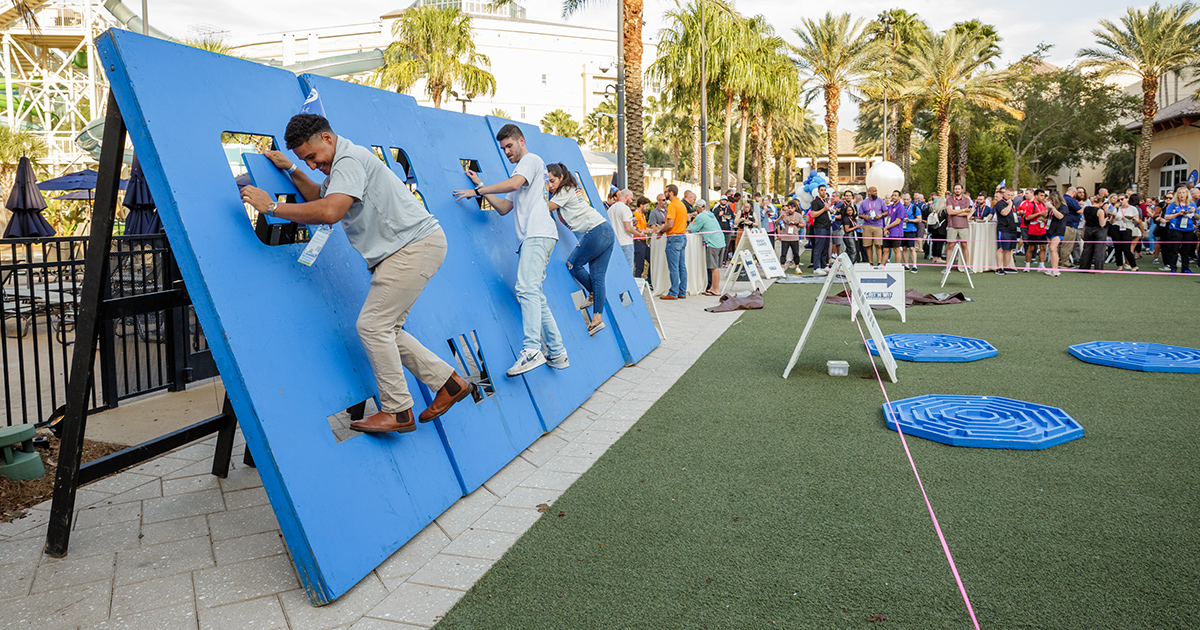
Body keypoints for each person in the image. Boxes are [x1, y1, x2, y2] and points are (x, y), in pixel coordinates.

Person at [240, 114, 472, 434]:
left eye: (312, 157)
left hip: (410, 248)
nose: (312, 165)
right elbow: (320, 197)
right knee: (387, 329)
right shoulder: (342, 162)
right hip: (412, 247)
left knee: (372, 326)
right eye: (305, 161)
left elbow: (329, 211)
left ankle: (398, 411)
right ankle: (450, 383)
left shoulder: (348, 161)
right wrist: (292, 169)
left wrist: (272, 207)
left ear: (327, 138)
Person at [454, 123, 567, 376]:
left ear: (521, 141)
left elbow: (514, 184)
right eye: (503, 148)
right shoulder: (524, 173)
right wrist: (481, 186)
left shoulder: (530, 161)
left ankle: (532, 350)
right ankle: (557, 353)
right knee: (535, 294)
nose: (507, 151)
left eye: (509, 145)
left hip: (537, 234)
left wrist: (479, 189)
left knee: (526, 289)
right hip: (536, 236)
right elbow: (504, 208)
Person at [544, 164, 615, 335]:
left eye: (552, 181)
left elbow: (545, 207)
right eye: (547, 182)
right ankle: (597, 320)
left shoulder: (564, 190)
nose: (550, 185)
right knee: (598, 278)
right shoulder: (568, 189)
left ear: (561, 178)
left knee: (573, 264)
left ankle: (593, 293)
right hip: (604, 231)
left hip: (597, 230)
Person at [688, 200, 725, 295]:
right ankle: (712, 288)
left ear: (698, 207)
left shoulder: (700, 216)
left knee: (714, 268)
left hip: (713, 243)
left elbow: (694, 230)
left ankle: (716, 289)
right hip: (721, 241)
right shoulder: (710, 214)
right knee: (714, 267)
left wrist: (691, 221)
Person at [660, 184, 689, 300]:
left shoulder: (672, 205)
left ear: (671, 193)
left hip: (674, 238)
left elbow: (670, 224)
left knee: (674, 267)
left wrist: (661, 231)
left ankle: (673, 292)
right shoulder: (682, 204)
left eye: (666, 192)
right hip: (682, 236)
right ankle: (682, 291)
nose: (665, 194)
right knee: (682, 266)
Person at [1163, 187, 1196, 273]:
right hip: (1176, 228)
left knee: (1186, 250)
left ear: (1187, 194)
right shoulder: (1173, 205)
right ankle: (1173, 268)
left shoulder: (1192, 204)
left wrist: (1194, 212)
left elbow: (1198, 217)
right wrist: (1177, 214)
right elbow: (1166, 216)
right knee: (1174, 249)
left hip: (1189, 229)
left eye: (1183, 193)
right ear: (1177, 195)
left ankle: (1185, 268)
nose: (1181, 195)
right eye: (1180, 193)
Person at [607, 188, 639, 270]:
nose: (631, 201)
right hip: (626, 243)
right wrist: (639, 234)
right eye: (631, 198)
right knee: (628, 269)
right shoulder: (625, 208)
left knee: (616, 269)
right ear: (626, 196)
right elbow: (628, 228)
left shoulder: (611, 209)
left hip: (615, 243)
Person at [1019, 189, 1049, 272]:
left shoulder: (1043, 204)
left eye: (1044, 196)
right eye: (1041, 195)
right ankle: (1027, 265)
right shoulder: (1031, 205)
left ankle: (1041, 265)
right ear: (1036, 196)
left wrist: (1043, 218)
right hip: (1033, 229)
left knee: (1043, 247)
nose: (1043, 197)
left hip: (1042, 229)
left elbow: (1046, 217)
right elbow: (1027, 217)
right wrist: (1038, 214)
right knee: (1031, 248)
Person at [1078, 195, 1109, 272]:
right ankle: (1098, 268)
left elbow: (1085, 221)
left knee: (1087, 249)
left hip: (1088, 229)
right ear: (1101, 202)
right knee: (1099, 250)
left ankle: (1084, 267)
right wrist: (1107, 219)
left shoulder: (1085, 209)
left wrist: (1083, 233)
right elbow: (1102, 224)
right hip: (1098, 230)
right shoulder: (1100, 211)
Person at [945, 184, 972, 269]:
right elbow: (950, 212)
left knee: (964, 245)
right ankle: (948, 266)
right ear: (953, 190)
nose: (957, 190)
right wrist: (963, 210)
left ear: (962, 190)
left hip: (963, 225)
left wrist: (955, 212)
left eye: (959, 189)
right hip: (952, 225)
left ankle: (967, 266)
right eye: (956, 189)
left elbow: (967, 213)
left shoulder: (966, 200)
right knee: (950, 245)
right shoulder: (949, 199)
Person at [1111, 194, 1139, 272]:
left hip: (1127, 228)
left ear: (1127, 199)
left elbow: (1137, 221)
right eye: (1119, 200)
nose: (1120, 201)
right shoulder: (1117, 209)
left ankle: (1133, 265)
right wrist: (1113, 217)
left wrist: (1132, 218)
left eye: (1122, 199)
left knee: (1126, 248)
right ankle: (1120, 266)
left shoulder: (1133, 209)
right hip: (1116, 227)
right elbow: (1111, 222)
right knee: (1117, 248)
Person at [859, 186, 887, 265]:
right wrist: (864, 216)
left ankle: (879, 262)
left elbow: (886, 212)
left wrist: (881, 215)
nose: (876, 193)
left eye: (876, 191)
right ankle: (870, 263)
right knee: (869, 245)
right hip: (867, 226)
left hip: (878, 225)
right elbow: (860, 214)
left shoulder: (881, 201)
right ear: (869, 192)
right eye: (874, 191)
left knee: (878, 245)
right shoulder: (864, 202)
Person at [994, 188, 1018, 274]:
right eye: (1008, 195)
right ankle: (999, 268)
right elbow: (1004, 213)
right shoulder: (1000, 203)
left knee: (1009, 249)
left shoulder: (1013, 203)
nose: (1010, 197)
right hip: (1003, 229)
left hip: (1013, 229)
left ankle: (1007, 266)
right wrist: (1010, 204)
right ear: (1004, 194)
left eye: (1012, 195)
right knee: (1001, 248)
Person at [809, 184, 832, 274]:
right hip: (820, 227)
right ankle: (816, 267)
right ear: (818, 191)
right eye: (821, 190)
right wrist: (824, 209)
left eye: (824, 190)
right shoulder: (816, 202)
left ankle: (823, 265)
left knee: (825, 247)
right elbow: (813, 214)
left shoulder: (825, 201)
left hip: (827, 226)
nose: (823, 192)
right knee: (819, 247)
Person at [1060, 187, 1085, 267]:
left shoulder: (1061, 198)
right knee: (1067, 245)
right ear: (1074, 193)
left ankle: (1059, 261)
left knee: (1060, 245)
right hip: (1070, 224)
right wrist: (1083, 206)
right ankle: (1064, 262)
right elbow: (1079, 211)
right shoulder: (1071, 200)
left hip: (1061, 224)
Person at [1046, 190, 1067, 277]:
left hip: (1058, 231)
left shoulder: (1063, 207)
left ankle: (1055, 270)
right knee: (1052, 250)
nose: (1049, 201)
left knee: (1053, 248)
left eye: (1051, 200)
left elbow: (1060, 216)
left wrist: (1052, 208)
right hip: (1049, 229)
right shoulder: (1051, 208)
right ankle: (1053, 268)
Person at [882, 190, 905, 268]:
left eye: (895, 195)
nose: (893, 197)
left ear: (899, 197)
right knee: (885, 250)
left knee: (896, 249)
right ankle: (882, 265)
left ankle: (897, 266)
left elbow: (897, 221)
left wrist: (887, 227)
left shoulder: (901, 207)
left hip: (896, 232)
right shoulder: (890, 207)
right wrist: (885, 228)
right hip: (888, 231)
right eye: (892, 195)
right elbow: (888, 218)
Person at [778, 200, 804, 270]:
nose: (790, 210)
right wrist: (780, 218)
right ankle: (782, 266)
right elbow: (777, 223)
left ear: (795, 208)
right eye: (789, 208)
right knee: (783, 253)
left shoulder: (798, 215)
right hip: (785, 237)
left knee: (796, 253)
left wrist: (797, 223)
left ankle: (797, 266)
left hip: (794, 237)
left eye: (792, 208)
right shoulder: (783, 214)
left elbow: (803, 225)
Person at [632, 196, 653, 283]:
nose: (647, 208)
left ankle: (649, 280)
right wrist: (650, 231)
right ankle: (637, 283)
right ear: (641, 205)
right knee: (639, 266)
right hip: (638, 242)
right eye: (646, 206)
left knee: (652, 259)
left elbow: (644, 228)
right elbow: (638, 229)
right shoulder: (635, 215)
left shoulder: (642, 215)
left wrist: (653, 230)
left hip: (643, 242)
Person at [902, 192, 921, 273]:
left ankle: (914, 265)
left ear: (910, 199)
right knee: (904, 248)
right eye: (904, 199)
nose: (906, 201)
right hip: (902, 230)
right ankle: (906, 265)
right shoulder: (901, 207)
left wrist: (910, 220)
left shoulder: (915, 208)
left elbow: (919, 219)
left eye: (907, 199)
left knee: (912, 248)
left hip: (911, 230)